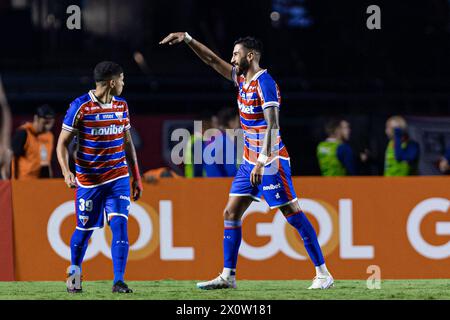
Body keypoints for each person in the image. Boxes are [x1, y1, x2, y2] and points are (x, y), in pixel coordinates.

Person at [160, 33, 333, 289]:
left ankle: (323, 274)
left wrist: (262, 162)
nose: (232, 59)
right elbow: (211, 60)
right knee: (231, 212)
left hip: (271, 161)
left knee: (292, 213)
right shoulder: (241, 80)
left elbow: (273, 126)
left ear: (250, 56)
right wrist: (187, 39)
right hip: (249, 161)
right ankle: (228, 276)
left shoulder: (265, 83)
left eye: (236, 54)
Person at [56, 61, 143, 294]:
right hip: (90, 182)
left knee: (120, 225)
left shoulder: (122, 106)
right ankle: (74, 273)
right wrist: (66, 172)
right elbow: (61, 144)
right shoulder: (80, 107)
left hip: (118, 177)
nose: (124, 84)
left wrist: (136, 176)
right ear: (112, 82)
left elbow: (127, 143)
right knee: (84, 231)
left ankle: (119, 281)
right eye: (122, 80)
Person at [11, 105, 55, 179]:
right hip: (24, 181)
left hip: (40, 183)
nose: (47, 126)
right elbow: (13, 158)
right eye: (45, 123)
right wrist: (14, 180)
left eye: (50, 123)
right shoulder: (23, 133)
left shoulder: (49, 136)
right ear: (36, 118)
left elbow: (47, 161)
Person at [203, 107, 240, 177]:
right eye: (238, 121)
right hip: (223, 184)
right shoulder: (226, 142)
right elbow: (232, 171)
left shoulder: (211, 140)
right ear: (231, 122)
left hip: (209, 183)